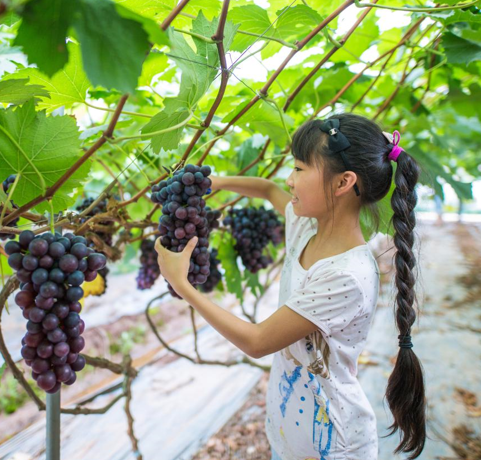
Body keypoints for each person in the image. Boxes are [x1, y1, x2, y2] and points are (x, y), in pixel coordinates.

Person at [154, 113, 426, 459]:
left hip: (333, 444)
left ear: (343, 183)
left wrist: (183, 286)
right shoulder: (306, 226)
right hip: (291, 431)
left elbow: (256, 342)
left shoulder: (347, 275)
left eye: (299, 169)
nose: (289, 179)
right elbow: (268, 190)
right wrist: (211, 182)